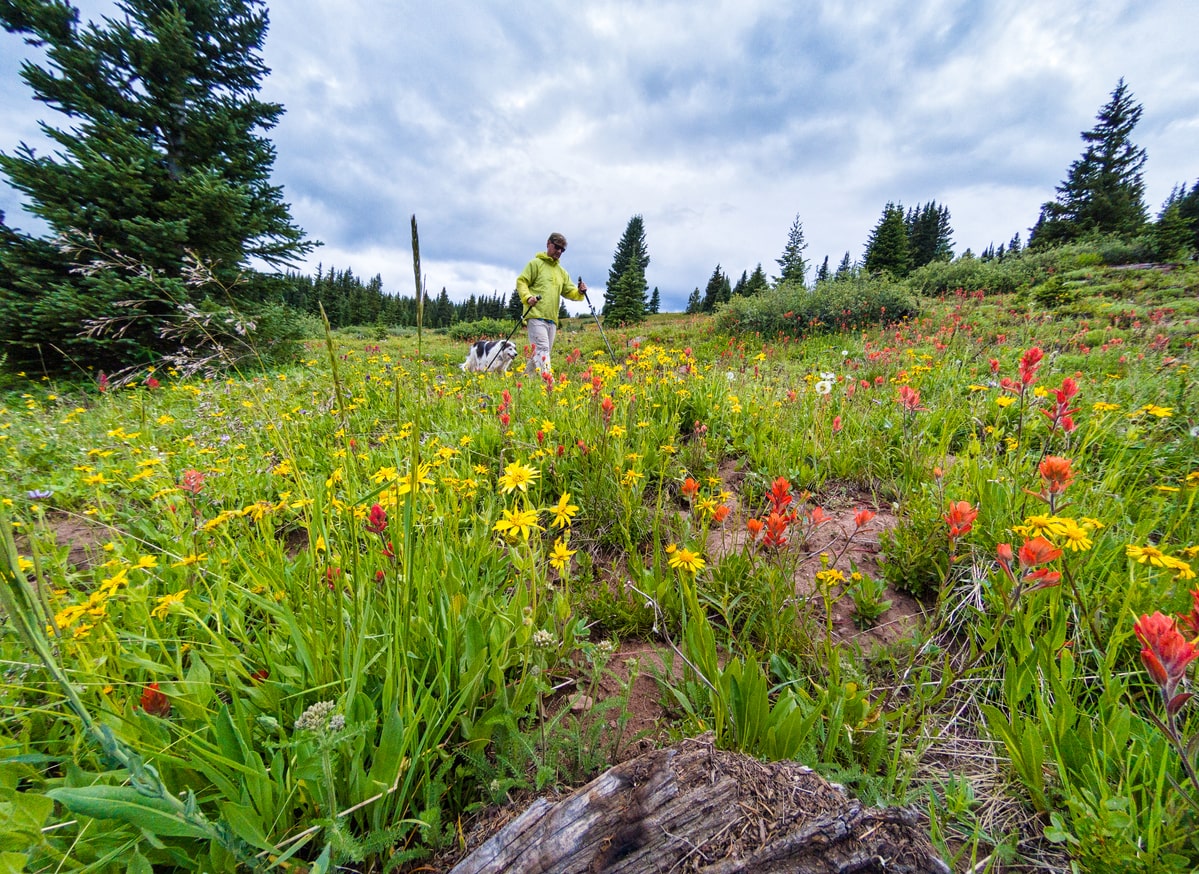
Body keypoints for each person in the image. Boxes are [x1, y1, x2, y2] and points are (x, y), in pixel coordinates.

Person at [515, 232, 587, 376]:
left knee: (540, 353)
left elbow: (569, 291)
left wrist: (579, 292)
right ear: (548, 244)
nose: (559, 251)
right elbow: (522, 281)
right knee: (543, 350)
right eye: (557, 247)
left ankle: (524, 380)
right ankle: (549, 384)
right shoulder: (535, 264)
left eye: (562, 250)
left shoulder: (561, 272)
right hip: (535, 315)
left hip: (552, 319)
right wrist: (528, 297)